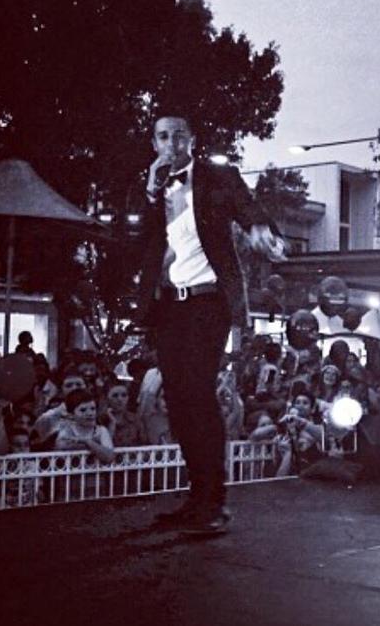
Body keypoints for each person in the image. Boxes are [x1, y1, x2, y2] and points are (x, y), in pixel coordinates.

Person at [136, 114, 284, 535]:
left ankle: (215, 502)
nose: (172, 143)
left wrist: (258, 226)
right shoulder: (153, 187)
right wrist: (150, 194)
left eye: (179, 134)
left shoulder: (216, 177)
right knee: (179, 400)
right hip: (168, 305)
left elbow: (244, 205)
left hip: (207, 302)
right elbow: (138, 241)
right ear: (154, 143)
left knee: (198, 392)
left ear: (192, 139)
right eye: (163, 136)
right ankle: (197, 496)